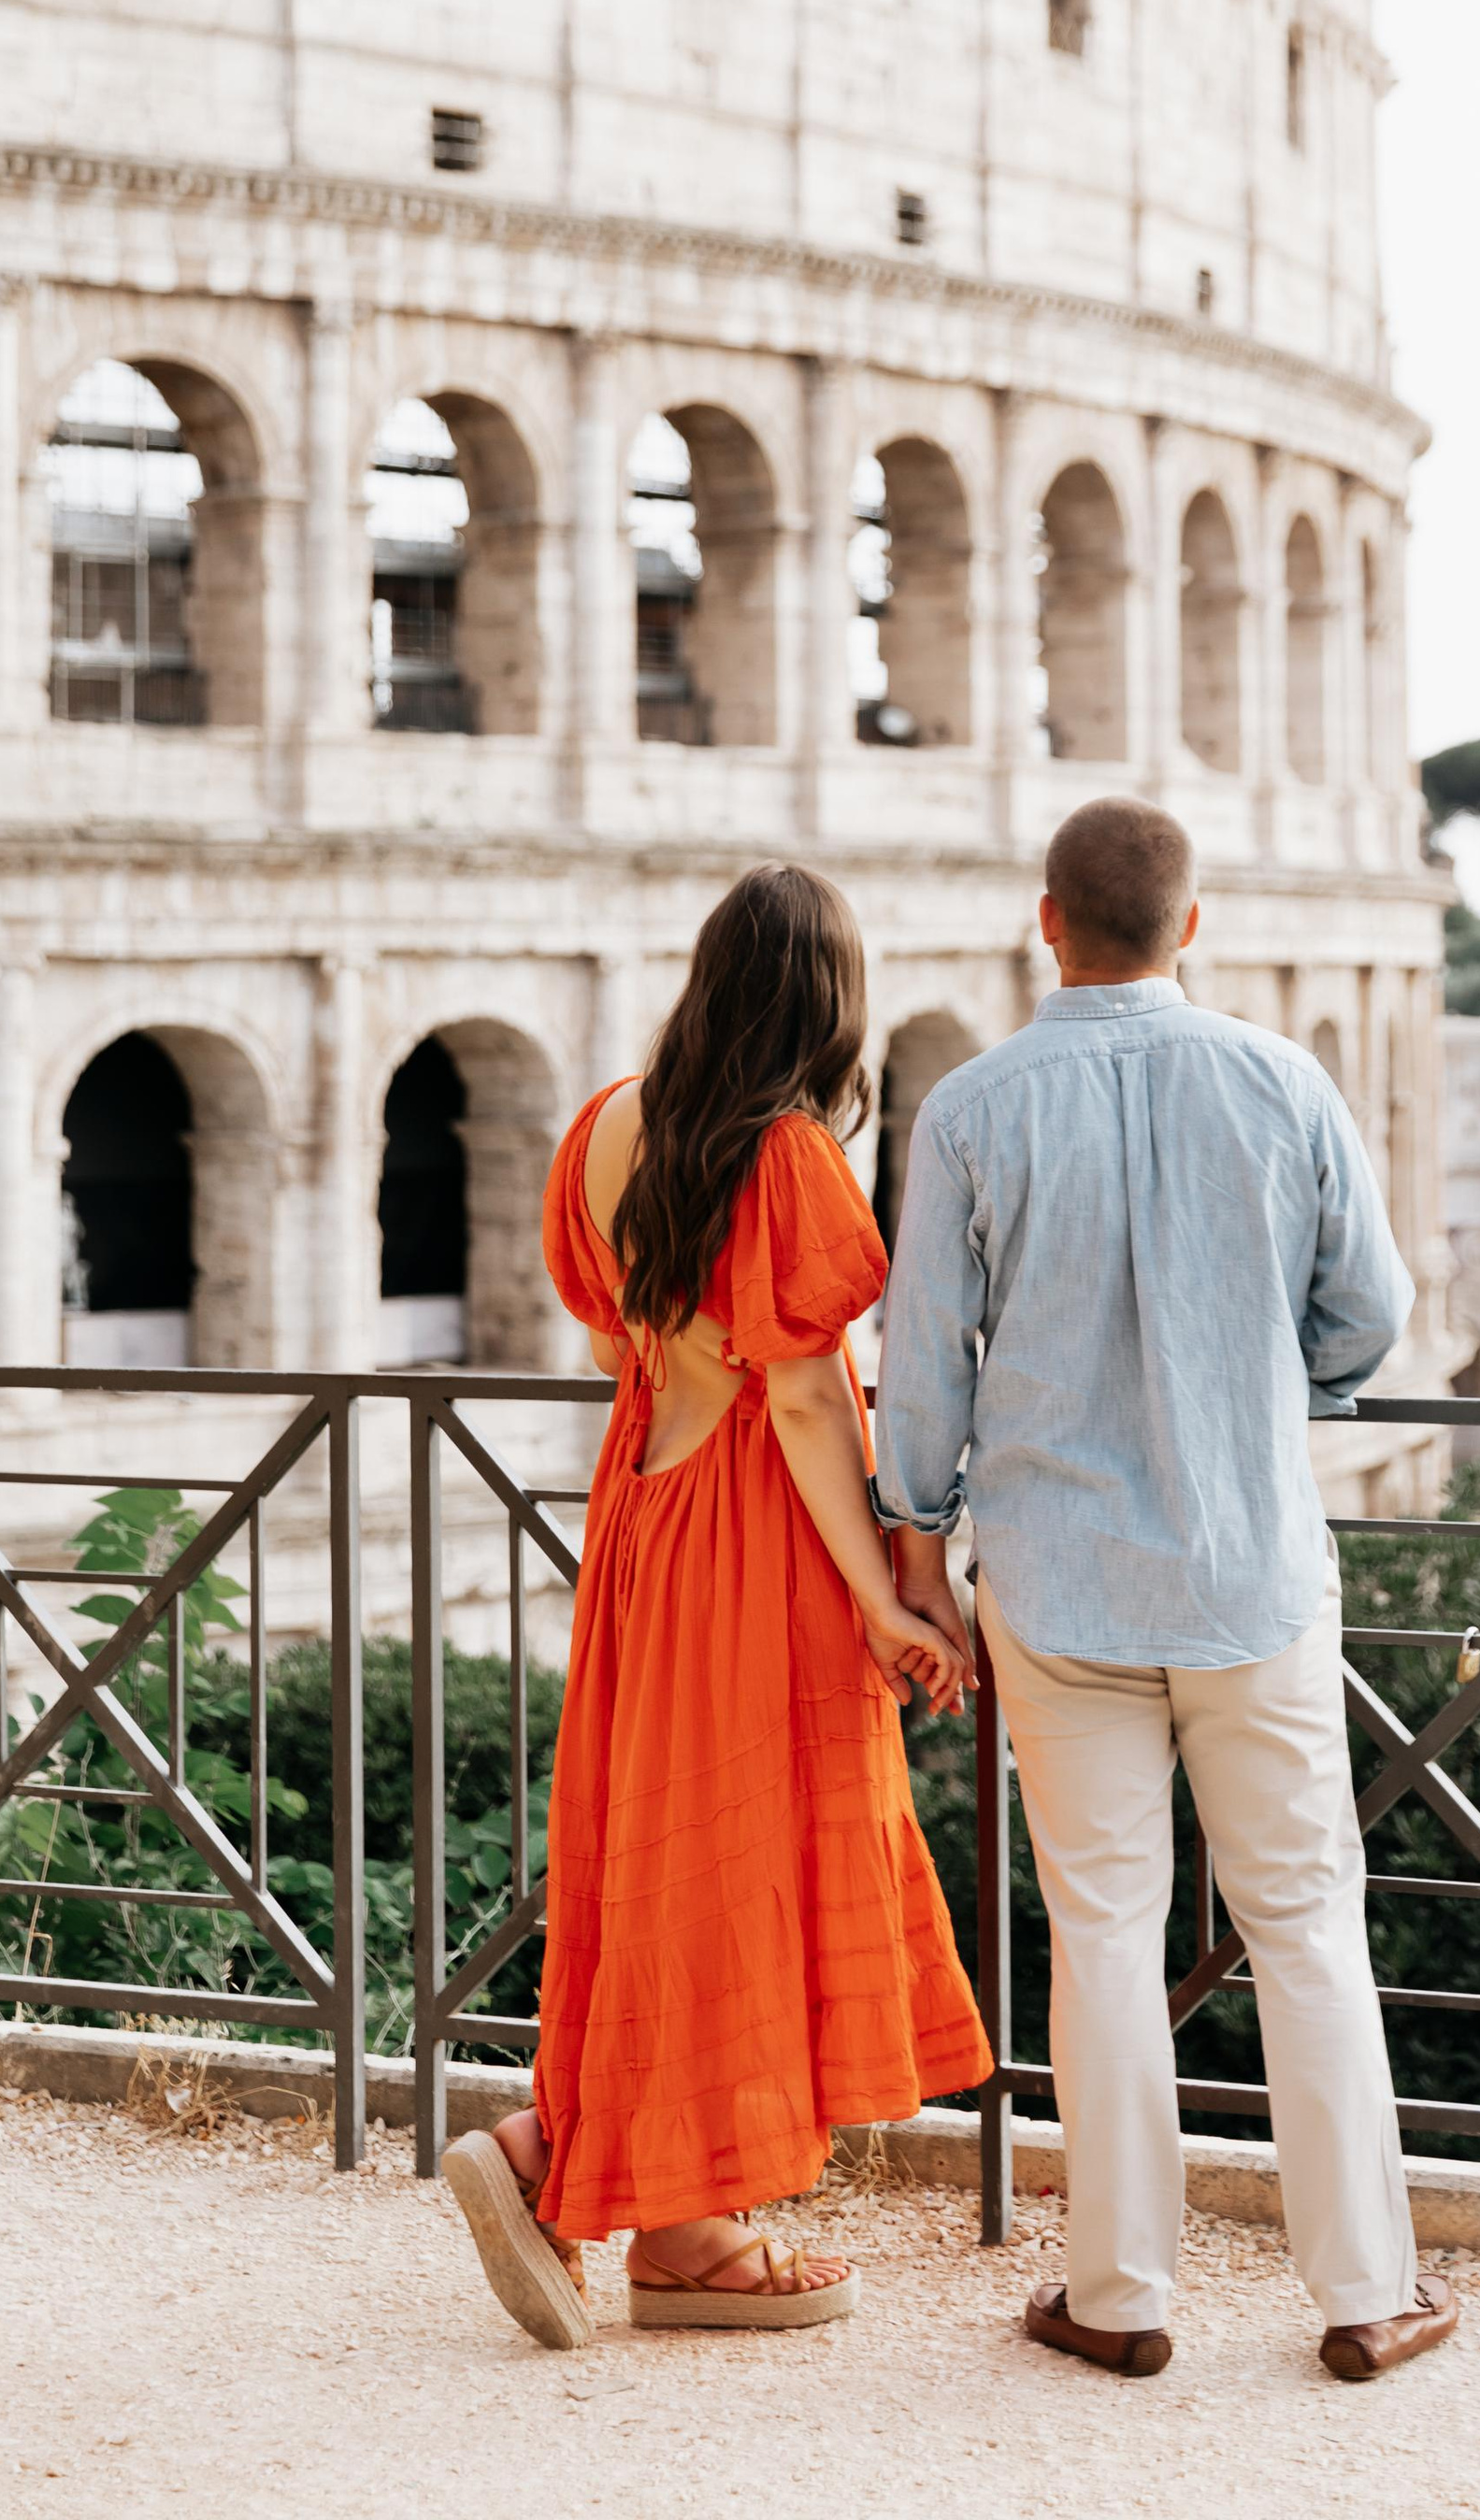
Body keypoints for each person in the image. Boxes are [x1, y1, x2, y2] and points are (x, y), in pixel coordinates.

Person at [871, 795, 1458, 2386]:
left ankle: (1119, 2298)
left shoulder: (973, 1111)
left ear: (1044, 922)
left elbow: (919, 1368)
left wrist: (915, 1548)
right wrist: (1275, 1395)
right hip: (1252, 1568)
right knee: (1308, 1928)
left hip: (1055, 1584)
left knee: (1106, 1932)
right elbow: (1370, 1312)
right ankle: (1365, 2296)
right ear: (1190, 928)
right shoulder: (1281, 1080)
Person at [444, 863, 990, 2349]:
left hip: (643, 1513)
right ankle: (663, 2218)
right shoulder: (789, 1150)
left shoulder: (607, 1124)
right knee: (738, 1859)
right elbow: (808, 1398)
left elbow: (622, 1316)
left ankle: (603, 2175)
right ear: (829, 1000)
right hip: (752, 1532)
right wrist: (887, 1598)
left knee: (664, 1850)